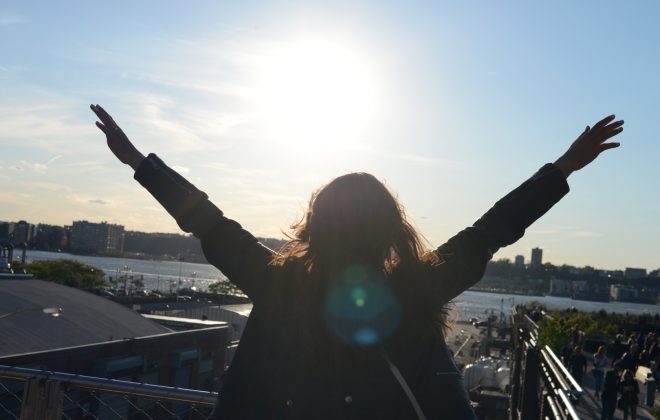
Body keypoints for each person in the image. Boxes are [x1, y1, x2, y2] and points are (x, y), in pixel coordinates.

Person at [91, 104, 623, 419]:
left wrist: (139, 161)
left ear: (314, 223)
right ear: (390, 229)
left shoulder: (278, 283)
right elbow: (491, 230)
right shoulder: (414, 290)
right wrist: (564, 166)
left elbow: (208, 222)